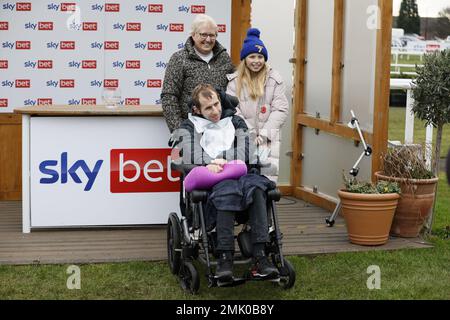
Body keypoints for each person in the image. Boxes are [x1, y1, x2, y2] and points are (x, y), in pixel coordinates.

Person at [173, 84, 279, 282]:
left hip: (241, 173)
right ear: (197, 110)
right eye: (208, 108)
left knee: (257, 189)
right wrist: (209, 163)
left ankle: (260, 257)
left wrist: (222, 158)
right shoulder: (189, 126)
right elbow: (190, 151)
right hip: (214, 179)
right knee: (227, 191)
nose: (215, 111)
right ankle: (224, 258)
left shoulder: (236, 121)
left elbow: (246, 148)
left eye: (216, 104)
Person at [226, 28, 289, 182]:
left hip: (268, 139)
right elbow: (233, 110)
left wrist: (265, 135)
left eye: (260, 56)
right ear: (245, 59)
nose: (256, 60)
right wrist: (251, 134)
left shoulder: (274, 79)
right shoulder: (234, 82)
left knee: (267, 180)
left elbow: (280, 109)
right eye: (252, 56)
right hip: (243, 138)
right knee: (242, 179)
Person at [161, 14, 235, 133]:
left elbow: (235, 89)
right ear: (193, 35)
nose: (208, 39)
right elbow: (169, 97)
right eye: (203, 34)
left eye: (212, 35)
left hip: (221, 131)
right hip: (191, 131)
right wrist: (179, 131)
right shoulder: (179, 59)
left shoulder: (224, 58)